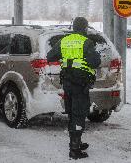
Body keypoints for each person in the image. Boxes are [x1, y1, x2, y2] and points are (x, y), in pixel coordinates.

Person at [47, 17, 101, 159]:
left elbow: (50, 56)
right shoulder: (86, 42)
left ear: (73, 27)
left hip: (68, 83)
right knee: (79, 114)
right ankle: (74, 149)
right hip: (80, 84)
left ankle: (76, 141)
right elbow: (96, 62)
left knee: (72, 113)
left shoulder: (64, 41)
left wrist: (66, 57)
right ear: (85, 28)